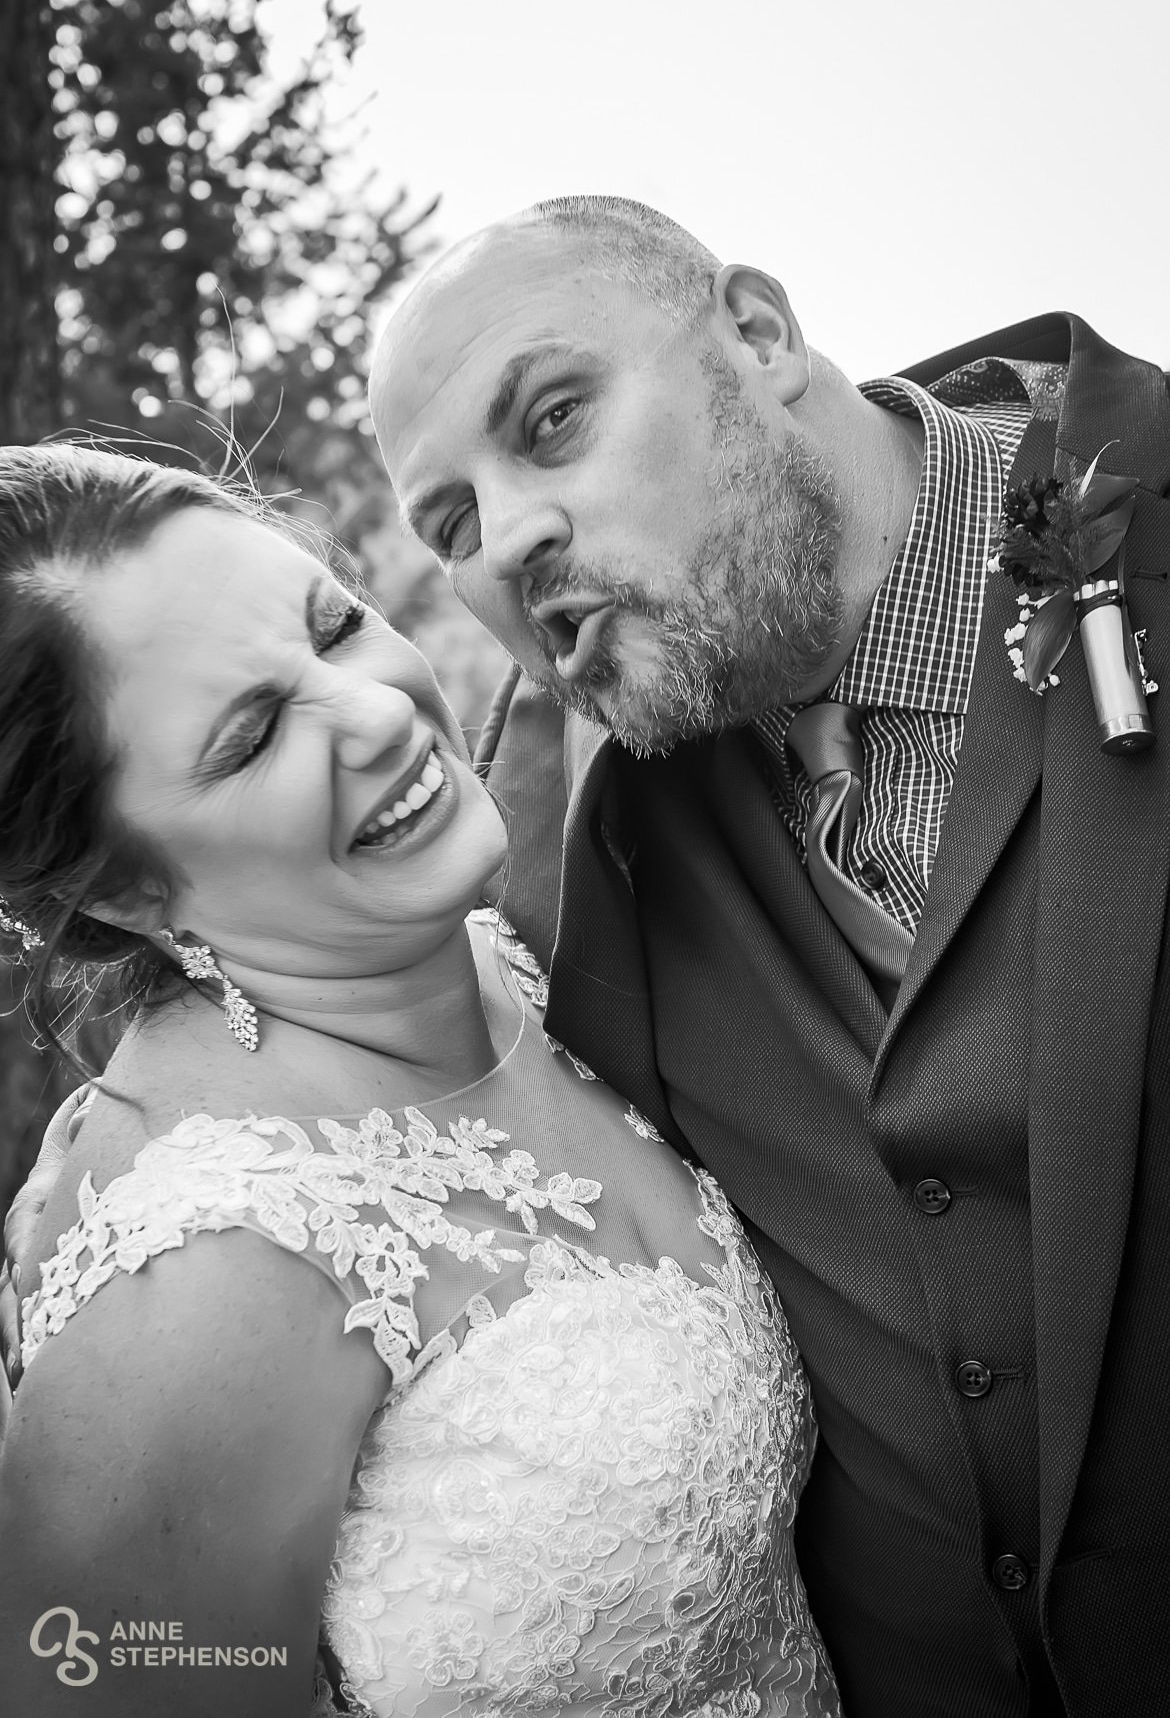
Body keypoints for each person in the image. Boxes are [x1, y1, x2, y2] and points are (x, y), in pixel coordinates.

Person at [364, 196, 1170, 1718]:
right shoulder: (543, 796)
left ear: (757, 331)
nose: (512, 535)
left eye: (551, 417)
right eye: (452, 524)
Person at [0, 445, 842, 1716]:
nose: (380, 709)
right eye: (253, 737)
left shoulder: (517, 957)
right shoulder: (209, 1269)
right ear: (123, 888)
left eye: (334, 627)